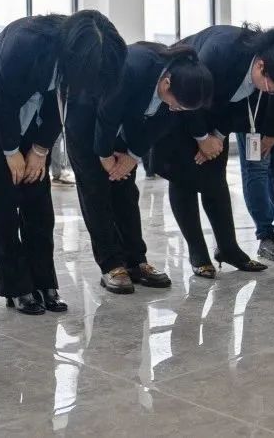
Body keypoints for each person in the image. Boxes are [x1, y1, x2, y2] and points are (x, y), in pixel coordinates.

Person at [0, 11, 126, 315]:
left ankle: (44, 282)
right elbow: (3, 102)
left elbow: (60, 102)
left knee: (38, 202)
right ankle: (16, 287)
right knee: (5, 202)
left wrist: (39, 149)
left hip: (34, 123)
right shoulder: (24, 44)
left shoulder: (81, 55)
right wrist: (11, 152)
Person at [150, 24, 274, 278]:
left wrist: (218, 137)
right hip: (179, 105)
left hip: (214, 115)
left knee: (215, 180)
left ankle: (229, 248)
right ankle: (198, 253)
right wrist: (202, 138)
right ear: (261, 67)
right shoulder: (219, 53)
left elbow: (237, 108)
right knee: (183, 178)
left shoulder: (266, 74)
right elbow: (190, 95)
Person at [65, 42, 212, 293]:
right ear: (166, 84)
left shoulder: (179, 85)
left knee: (126, 194)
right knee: (96, 193)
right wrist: (105, 156)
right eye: (177, 104)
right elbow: (107, 114)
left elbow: (160, 125)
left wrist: (131, 156)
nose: (176, 109)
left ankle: (136, 261)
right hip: (87, 122)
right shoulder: (134, 66)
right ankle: (111, 265)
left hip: (123, 132)